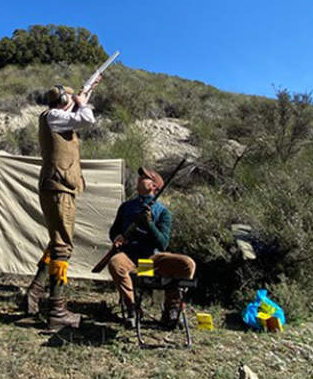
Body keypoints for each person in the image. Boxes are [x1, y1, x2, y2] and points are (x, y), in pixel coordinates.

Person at [22, 81, 98, 330]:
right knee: (63, 247)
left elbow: (77, 117)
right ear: (64, 100)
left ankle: (34, 293)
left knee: (57, 243)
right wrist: (83, 102)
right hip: (59, 187)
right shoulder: (53, 116)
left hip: (58, 186)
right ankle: (57, 310)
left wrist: (85, 94)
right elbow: (86, 119)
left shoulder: (55, 115)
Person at [107, 166, 196, 330]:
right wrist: (117, 238)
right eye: (141, 176)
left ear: (155, 186)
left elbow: (163, 243)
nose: (141, 178)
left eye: (146, 177)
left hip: (150, 262)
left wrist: (148, 224)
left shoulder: (163, 213)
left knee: (187, 264)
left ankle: (172, 309)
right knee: (115, 263)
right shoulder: (126, 207)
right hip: (130, 259)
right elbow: (114, 231)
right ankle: (132, 309)